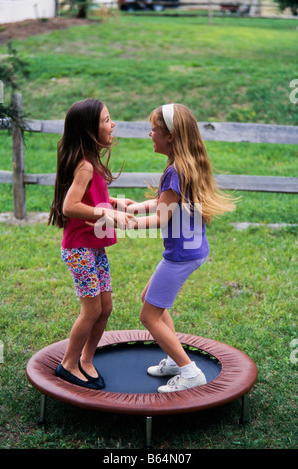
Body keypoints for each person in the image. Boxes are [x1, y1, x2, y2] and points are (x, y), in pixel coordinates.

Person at [123, 103, 238, 393]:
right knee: (150, 299)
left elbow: (162, 218)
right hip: (194, 250)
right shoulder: (185, 166)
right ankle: (175, 361)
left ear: (171, 136)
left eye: (155, 130)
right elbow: (167, 203)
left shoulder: (175, 171)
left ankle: (189, 372)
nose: (150, 134)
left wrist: (125, 223)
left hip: (180, 256)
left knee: (148, 315)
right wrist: (136, 207)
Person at [48, 98, 135, 390]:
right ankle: (68, 364)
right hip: (79, 249)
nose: (113, 124)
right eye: (107, 120)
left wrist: (114, 202)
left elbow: (92, 197)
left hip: (93, 247)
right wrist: (106, 212)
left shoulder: (92, 161)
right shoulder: (84, 165)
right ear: (89, 129)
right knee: (91, 310)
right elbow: (70, 206)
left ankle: (86, 359)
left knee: (106, 307)